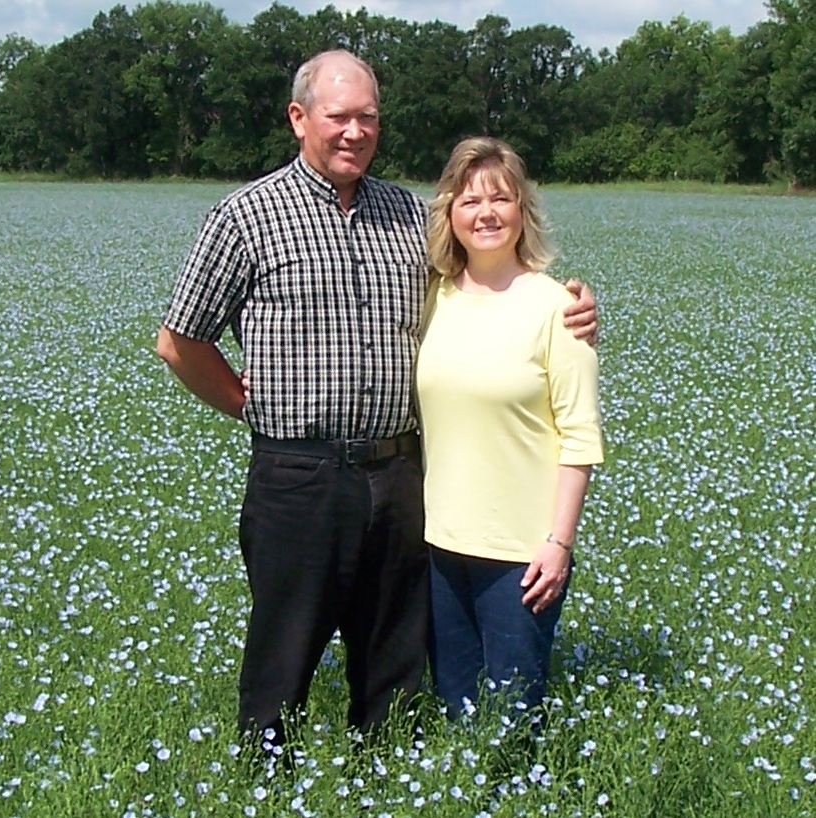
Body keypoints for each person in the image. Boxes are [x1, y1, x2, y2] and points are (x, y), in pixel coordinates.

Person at [156, 50, 598, 744]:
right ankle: (268, 781)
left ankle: (383, 771)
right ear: (299, 118)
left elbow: (485, 281)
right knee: (283, 648)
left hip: (399, 474)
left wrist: (571, 299)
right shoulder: (246, 216)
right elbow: (178, 342)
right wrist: (253, 406)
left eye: (368, 118)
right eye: (339, 117)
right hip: (297, 475)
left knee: (393, 649)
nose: (354, 132)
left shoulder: (406, 215)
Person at [416, 136, 604, 721]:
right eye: (470, 201)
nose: (486, 213)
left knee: (511, 722)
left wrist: (559, 544)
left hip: (521, 555)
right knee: (456, 710)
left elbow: (579, 437)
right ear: (450, 213)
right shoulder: (431, 297)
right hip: (439, 546)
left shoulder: (558, 308)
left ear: (523, 210)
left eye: (500, 198)